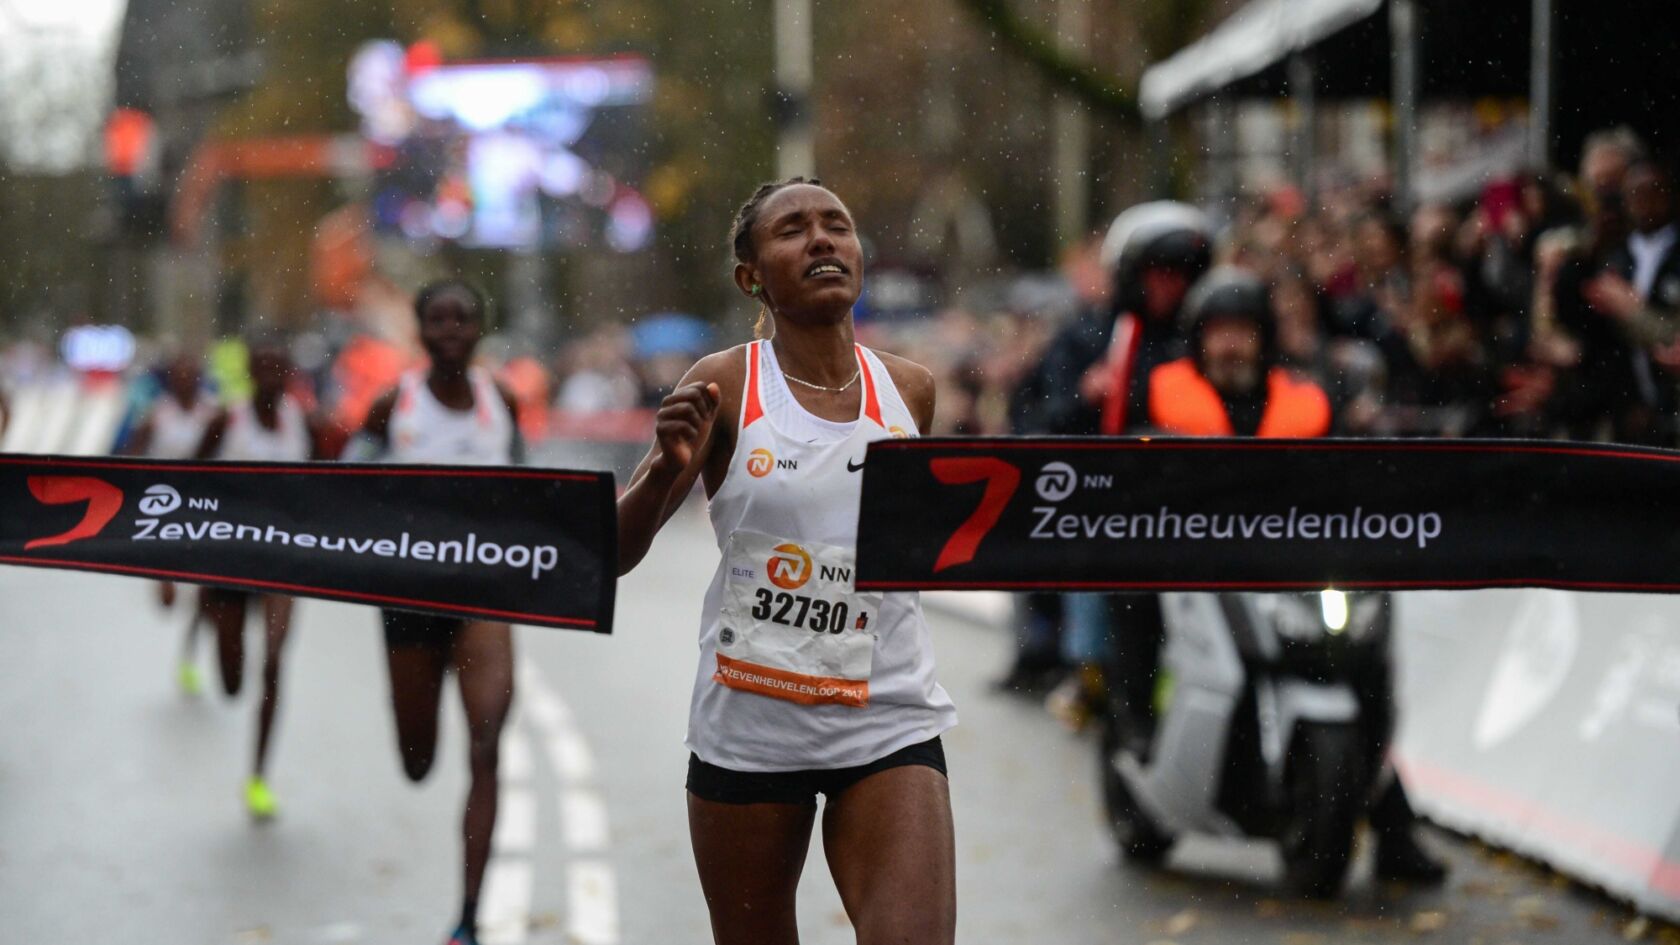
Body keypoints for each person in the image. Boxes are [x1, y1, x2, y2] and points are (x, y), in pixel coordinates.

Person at [617, 178, 959, 945]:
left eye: (837, 224)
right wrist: (664, 470)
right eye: (793, 230)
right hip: (751, 729)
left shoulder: (911, 390)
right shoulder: (724, 383)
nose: (822, 239)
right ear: (752, 277)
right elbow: (613, 554)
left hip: (887, 717)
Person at [1133, 267, 1447, 883]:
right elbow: (1125, 464)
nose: (1230, 345)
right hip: (1193, 564)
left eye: (1242, 332)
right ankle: (1134, 722)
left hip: (1296, 570)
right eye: (1219, 332)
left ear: (1264, 338)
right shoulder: (1163, 391)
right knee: (1130, 602)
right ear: (1199, 338)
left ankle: (1393, 826)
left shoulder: (1310, 399)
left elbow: (1348, 476)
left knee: (1364, 666)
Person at [350, 279, 522, 945]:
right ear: (419, 331)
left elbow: (531, 494)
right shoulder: (393, 405)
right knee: (418, 760)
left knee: (487, 744)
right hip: (409, 599)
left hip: (483, 597)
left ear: (480, 328)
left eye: (463, 319)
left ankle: (468, 917)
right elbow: (346, 488)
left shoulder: (501, 401)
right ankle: (412, 720)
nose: (451, 330)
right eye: (439, 320)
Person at [194, 336, 328, 819]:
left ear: (290, 374)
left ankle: (258, 776)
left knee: (273, 663)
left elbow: (328, 488)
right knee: (232, 683)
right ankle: (210, 621)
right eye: (263, 367)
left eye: (279, 367)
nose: (271, 375)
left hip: (281, 564)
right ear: (250, 372)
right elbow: (189, 482)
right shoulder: (225, 421)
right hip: (229, 563)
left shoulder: (305, 425)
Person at [124, 352, 220, 694]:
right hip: (163, 513)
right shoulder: (156, 414)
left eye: (191, 375)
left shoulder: (214, 413)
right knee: (167, 602)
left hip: (203, 513)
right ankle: (163, 574)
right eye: (179, 375)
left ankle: (189, 657)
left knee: (206, 595)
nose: (185, 381)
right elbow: (131, 458)